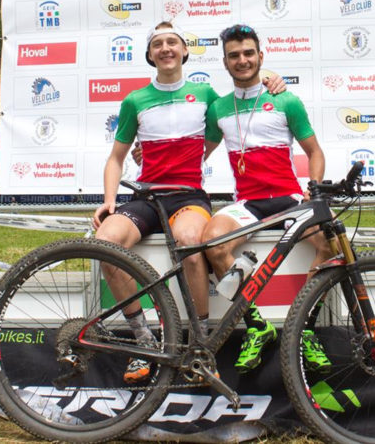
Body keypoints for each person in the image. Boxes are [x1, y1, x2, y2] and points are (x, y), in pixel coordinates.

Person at [93, 21, 285, 384]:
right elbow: (116, 158)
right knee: (106, 244)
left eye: (173, 42)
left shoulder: (206, 94)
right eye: (158, 44)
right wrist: (108, 201)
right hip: (147, 196)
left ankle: (200, 343)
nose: (165, 48)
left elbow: (243, 95)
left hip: (188, 196)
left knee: (192, 244)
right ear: (150, 55)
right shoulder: (135, 100)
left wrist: (271, 77)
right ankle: (143, 339)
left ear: (184, 51)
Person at [202, 24, 333, 374]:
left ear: (261, 56)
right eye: (234, 55)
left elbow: (314, 152)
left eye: (248, 53)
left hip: (289, 199)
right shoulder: (218, 108)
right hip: (248, 202)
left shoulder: (286, 100)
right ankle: (257, 325)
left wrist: (314, 188)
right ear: (225, 62)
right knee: (212, 243)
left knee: (331, 242)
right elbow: (196, 154)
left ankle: (305, 327)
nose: (242, 60)